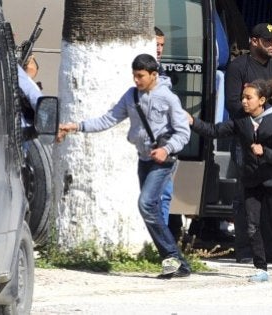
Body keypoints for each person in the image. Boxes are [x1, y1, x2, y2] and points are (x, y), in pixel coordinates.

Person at [56, 54, 192, 278]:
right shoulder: (131, 96)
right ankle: (178, 262)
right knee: (151, 208)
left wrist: (166, 149)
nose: (136, 80)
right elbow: (108, 119)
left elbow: (183, 132)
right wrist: (76, 126)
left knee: (146, 204)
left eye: (141, 76)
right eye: (134, 75)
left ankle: (172, 258)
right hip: (144, 159)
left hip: (164, 161)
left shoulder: (168, 98)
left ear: (153, 75)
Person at [188, 79, 272, 282]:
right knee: (252, 226)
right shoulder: (241, 121)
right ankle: (262, 269)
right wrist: (193, 122)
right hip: (251, 181)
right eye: (243, 97)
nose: (244, 101)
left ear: (261, 100)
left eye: (248, 98)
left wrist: (265, 152)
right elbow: (215, 131)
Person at [224, 22, 272, 264]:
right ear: (254, 41)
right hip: (247, 140)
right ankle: (246, 249)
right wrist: (251, 127)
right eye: (267, 40)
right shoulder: (238, 67)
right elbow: (234, 104)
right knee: (247, 194)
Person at [153, 26, 184, 241]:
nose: (160, 49)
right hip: (151, 145)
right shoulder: (146, 75)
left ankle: (160, 244)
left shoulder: (161, 73)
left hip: (165, 143)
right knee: (160, 195)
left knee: (164, 196)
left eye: (162, 45)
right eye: (156, 45)